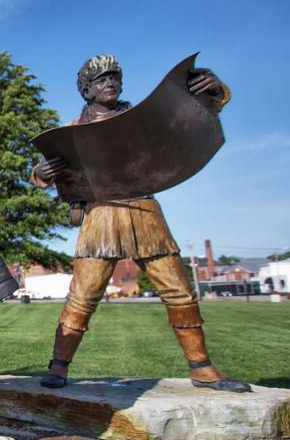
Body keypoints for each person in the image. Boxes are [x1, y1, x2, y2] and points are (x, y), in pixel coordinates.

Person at [32, 55, 250, 393]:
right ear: (87, 90)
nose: (110, 83)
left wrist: (215, 90)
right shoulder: (73, 130)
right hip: (100, 217)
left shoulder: (142, 119)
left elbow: (190, 117)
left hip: (145, 211)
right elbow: (45, 171)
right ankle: (58, 368)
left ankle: (202, 366)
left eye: (114, 78)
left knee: (178, 290)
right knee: (83, 295)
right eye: (101, 80)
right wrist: (40, 174)